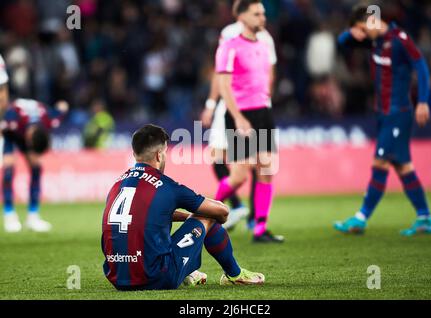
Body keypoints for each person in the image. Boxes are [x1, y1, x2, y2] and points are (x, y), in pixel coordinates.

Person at [101, 124, 265, 290]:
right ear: (159, 155)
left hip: (117, 277)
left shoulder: (117, 184)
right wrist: (203, 218)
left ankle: (186, 272)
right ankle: (235, 275)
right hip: (156, 277)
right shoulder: (167, 186)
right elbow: (222, 211)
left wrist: (187, 218)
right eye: (165, 153)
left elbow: (144, 213)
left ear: (135, 153)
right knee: (208, 215)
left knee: (153, 228)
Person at [333, 4, 431, 236]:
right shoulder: (374, 41)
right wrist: (353, 31)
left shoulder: (399, 39)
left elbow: (421, 67)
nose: (361, 34)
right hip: (382, 113)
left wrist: (422, 101)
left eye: (361, 28)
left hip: (399, 113)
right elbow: (342, 42)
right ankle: (425, 217)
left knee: (379, 162)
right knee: (402, 167)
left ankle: (361, 218)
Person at [200, 0, 277, 231]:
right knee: (238, 174)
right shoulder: (229, 40)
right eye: (257, 13)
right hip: (235, 110)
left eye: (263, 13)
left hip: (262, 110)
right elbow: (222, 80)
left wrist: (265, 99)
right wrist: (214, 105)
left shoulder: (265, 41)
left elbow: (268, 74)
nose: (263, 17)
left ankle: (259, 226)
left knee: (265, 168)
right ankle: (209, 211)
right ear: (242, 15)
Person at [1, 98, 69, 232]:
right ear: (29, 139)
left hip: (30, 128)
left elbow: (63, 105)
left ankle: (33, 217)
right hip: (11, 135)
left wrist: (62, 107)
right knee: (8, 170)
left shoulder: (50, 120)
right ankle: (9, 215)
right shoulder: (13, 119)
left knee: (37, 168)